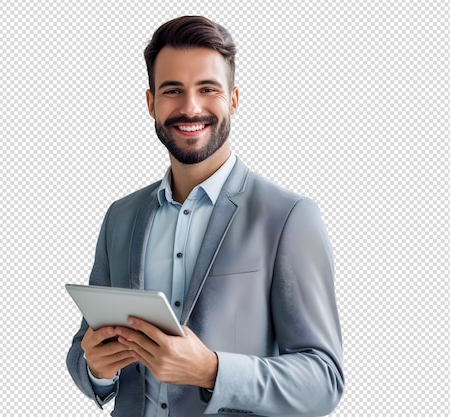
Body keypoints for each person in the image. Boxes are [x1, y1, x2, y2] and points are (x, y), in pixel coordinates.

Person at [67, 15, 344, 417]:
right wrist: (95, 367)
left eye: (207, 88)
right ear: (151, 103)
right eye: (173, 90)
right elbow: (83, 351)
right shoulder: (120, 217)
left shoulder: (289, 218)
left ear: (233, 99)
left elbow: (324, 379)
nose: (190, 107)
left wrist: (213, 371)